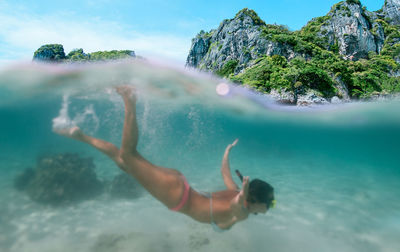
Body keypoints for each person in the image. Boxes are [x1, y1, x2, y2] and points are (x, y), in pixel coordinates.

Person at [55, 86, 275, 231]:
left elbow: (225, 173)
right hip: (177, 195)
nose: (271, 207)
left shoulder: (237, 193)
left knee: (124, 163)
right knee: (129, 156)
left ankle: (81, 136)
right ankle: (129, 99)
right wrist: (245, 188)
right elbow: (237, 205)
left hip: (180, 185)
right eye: (271, 203)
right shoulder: (242, 208)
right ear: (257, 201)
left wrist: (227, 152)